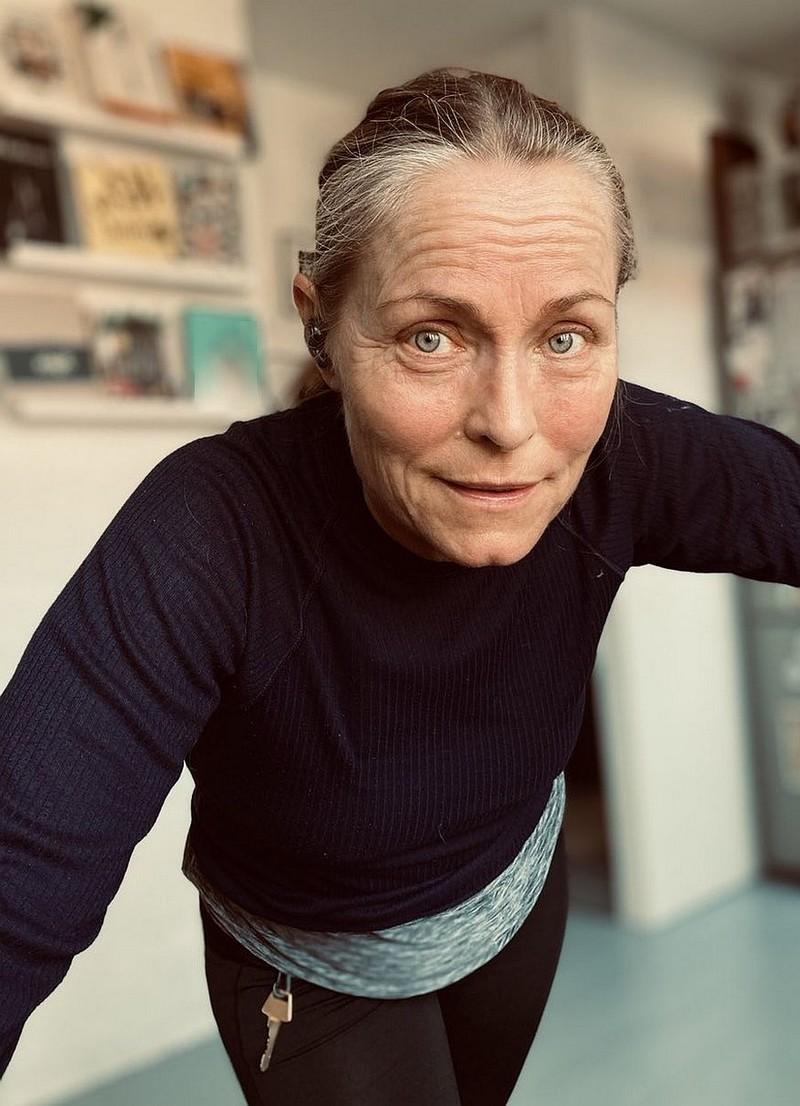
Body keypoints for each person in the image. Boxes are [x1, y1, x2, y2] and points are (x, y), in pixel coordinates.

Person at [1, 66, 799, 1106]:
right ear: (322, 325)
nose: (510, 423)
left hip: (512, 899)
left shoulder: (621, 448)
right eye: (432, 335)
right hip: (308, 966)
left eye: (564, 336)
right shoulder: (214, 527)